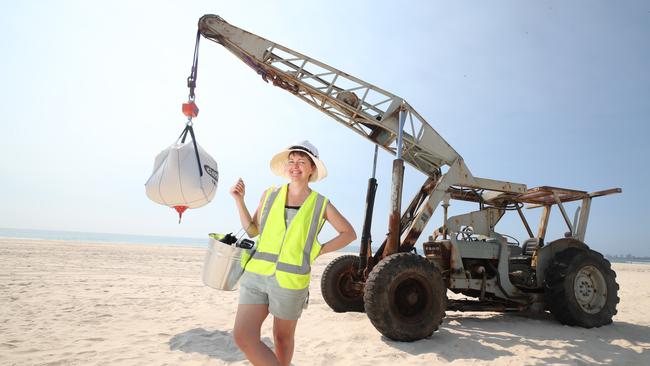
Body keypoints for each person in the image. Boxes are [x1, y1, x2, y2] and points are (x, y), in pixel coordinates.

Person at [229, 140, 356, 366]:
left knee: (282, 339)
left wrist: (316, 251)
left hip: (291, 280)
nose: (295, 166)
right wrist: (239, 201)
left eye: (301, 161)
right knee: (243, 336)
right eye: (291, 161)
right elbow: (252, 230)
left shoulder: (320, 203)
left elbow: (348, 233)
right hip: (256, 275)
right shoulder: (270, 194)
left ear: (312, 169)